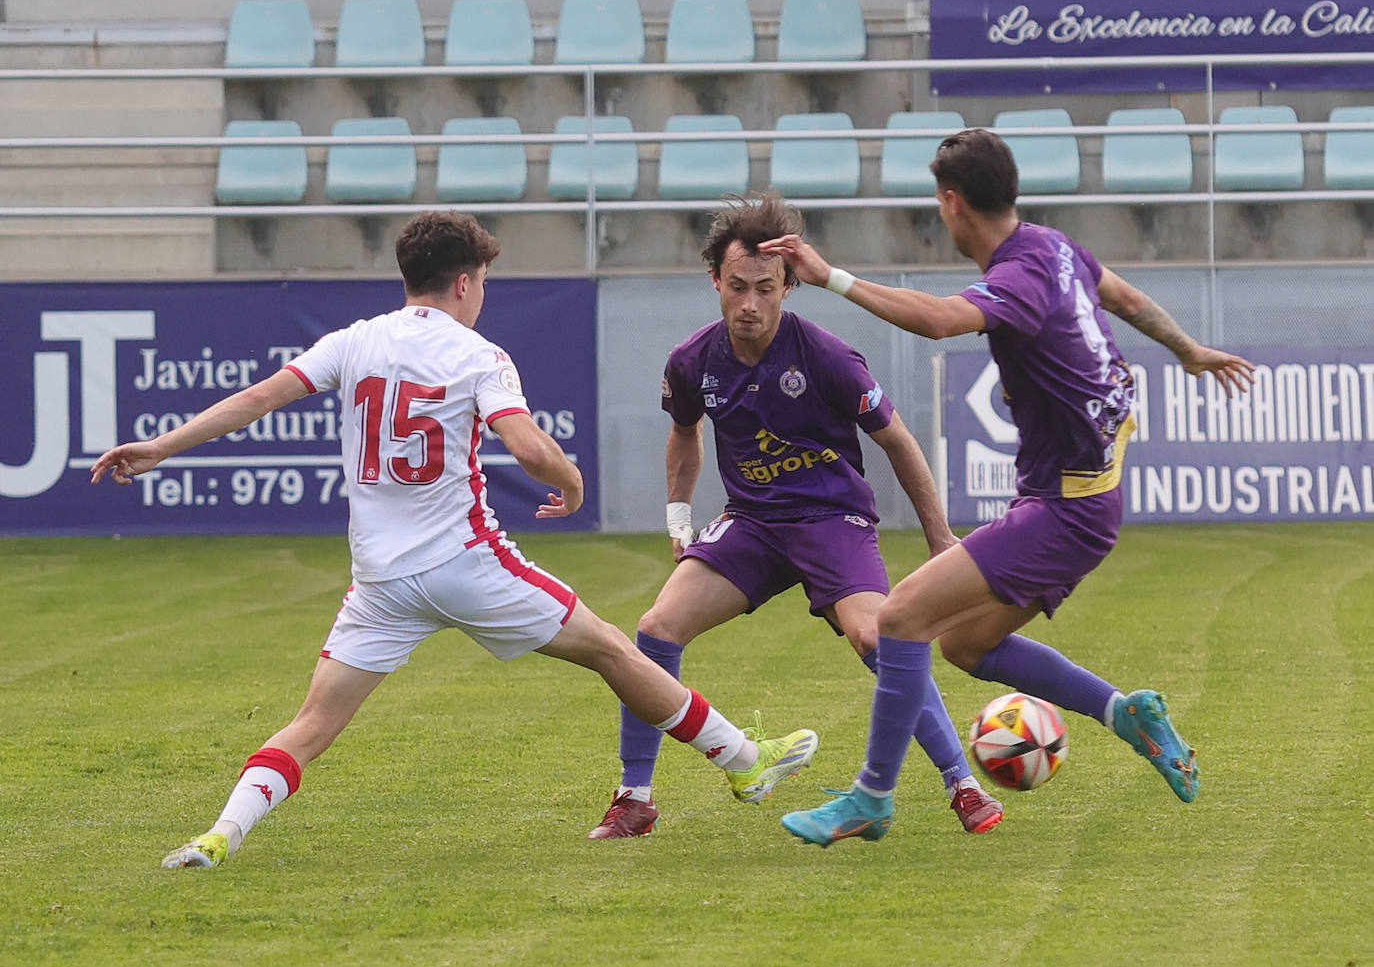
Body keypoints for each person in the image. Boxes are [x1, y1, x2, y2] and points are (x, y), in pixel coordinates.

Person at [91, 211, 819, 869]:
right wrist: (569, 481)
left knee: (312, 723)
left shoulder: (354, 341)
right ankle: (745, 758)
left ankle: (221, 832)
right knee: (612, 649)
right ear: (465, 282)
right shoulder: (479, 354)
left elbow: (255, 401)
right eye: (485, 282)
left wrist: (161, 445)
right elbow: (528, 448)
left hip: (379, 583)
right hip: (468, 565)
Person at [763, 129, 1256, 847]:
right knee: (965, 643)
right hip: (1082, 499)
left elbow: (937, 321)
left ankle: (871, 796)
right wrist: (1186, 349)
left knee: (899, 619)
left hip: (1067, 508)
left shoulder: (1020, 278)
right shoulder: (1054, 247)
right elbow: (1123, 294)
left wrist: (829, 274)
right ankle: (1126, 712)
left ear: (952, 202)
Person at [587, 193, 1005, 841]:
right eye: (736, 287)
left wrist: (941, 538)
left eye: (765, 287)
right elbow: (684, 432)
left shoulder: (829, 357)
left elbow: (899, 442)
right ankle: (634, 797)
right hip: (751, 522)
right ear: (715, 282)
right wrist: (678, 514)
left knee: (880, 637)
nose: (749, 303)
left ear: (789, 284)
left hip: (833, 519)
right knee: (656, 627)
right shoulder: (693, 360)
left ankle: (964, 782)